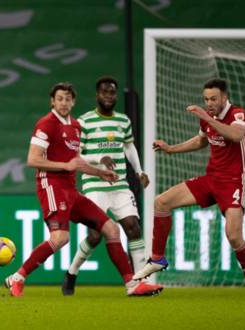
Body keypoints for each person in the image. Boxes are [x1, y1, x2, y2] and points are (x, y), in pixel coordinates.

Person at [4, 82, 163, 297]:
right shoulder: (46, 124)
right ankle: (17, 277)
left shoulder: (76, 126)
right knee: (60, 238)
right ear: (53, 101)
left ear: (73, 101)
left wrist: (100, 172)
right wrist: (64, 166)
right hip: (51, 186)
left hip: (70, 189)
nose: (64, 103)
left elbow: (76, 161)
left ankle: (133, 285)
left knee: (111, 229)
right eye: (59, 98)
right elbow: (32, 160)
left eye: (68, 99)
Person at [133, 78, 245, 299]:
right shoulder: (208, 119)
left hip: (233, 182)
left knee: (233, 236)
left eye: (213, 99)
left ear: (224, 97)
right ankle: (157, 259)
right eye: (206, 99)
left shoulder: (238, 114)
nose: (209, 103)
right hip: (211, 179)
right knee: (161, 202)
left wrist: (205, 116)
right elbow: (201, 141)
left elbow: (235, 135)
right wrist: (170, 148)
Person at [62, 76, 152, 295]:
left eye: (112, 93)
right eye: (105, 92)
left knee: (133, 227)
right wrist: (99, 158)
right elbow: (76, 153)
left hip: (120, 184)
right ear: (97, 95)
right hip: (95, 185)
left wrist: (139, 171)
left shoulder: (123, 121)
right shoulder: (84, 122)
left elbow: (129, 147)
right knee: (95, 236)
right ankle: (72, 273)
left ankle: (140, 281)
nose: (109, 97)